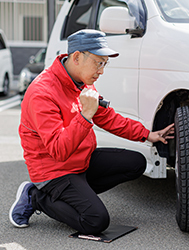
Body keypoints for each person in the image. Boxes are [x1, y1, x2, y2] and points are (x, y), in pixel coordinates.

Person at [9, 29, 174, 235]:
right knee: (96, 221)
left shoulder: (81, 82)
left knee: (137, 163)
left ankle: (77, 194)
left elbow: (107, 117)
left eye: (105, 63)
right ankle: (36, 196)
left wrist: (147, 134)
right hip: (54, 170)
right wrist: (85, 116)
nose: (102, 70)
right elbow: (58, 150)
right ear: (77, 57)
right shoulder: (42, 93)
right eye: (99, 62)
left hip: (80, 161)